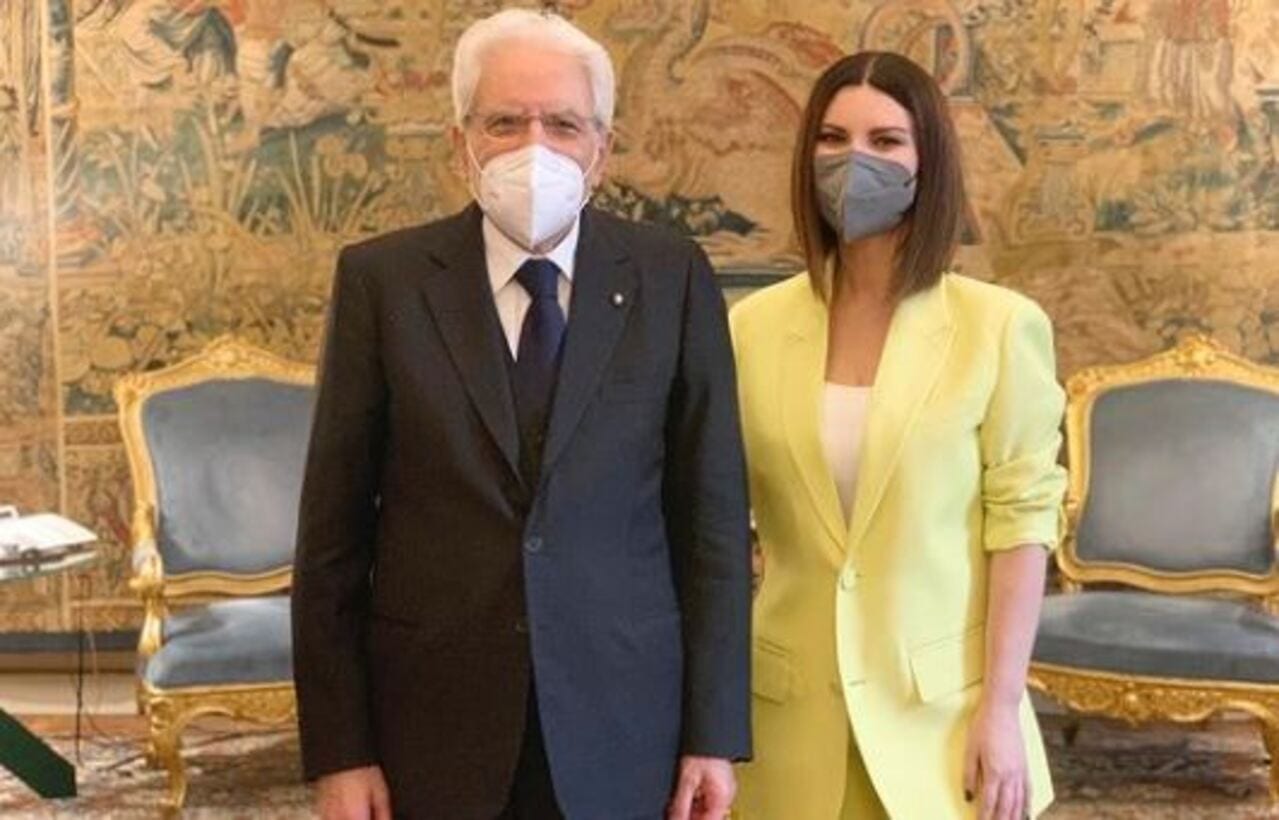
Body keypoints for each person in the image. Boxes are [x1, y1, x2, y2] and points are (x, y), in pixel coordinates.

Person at [291, 9, 752, 820]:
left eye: (563, 124)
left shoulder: (671, 277)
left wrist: (711, 735)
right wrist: (341, 752)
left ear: (601, 149)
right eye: (504, 123)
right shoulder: (384, 283)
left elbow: (710, 527)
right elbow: (332, 540)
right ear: (460, 143)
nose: (533, 148)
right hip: (433, 726)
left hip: (625, 724)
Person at [729, 51, 1065, 820]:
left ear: (927, 161)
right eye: (832, 138)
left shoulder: (997, 326)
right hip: (785, 718)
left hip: (942, 722)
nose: (854, 161)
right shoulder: (750, 327)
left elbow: (1020, 527)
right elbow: (715, 518)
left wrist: (1000, 708)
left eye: (885, 141)